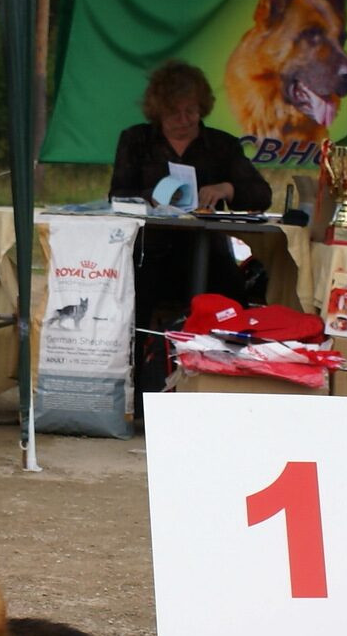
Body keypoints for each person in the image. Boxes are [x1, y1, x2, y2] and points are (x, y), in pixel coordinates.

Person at [108, 59, 273, 406]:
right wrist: (148, 201)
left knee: (234, 306)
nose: (184, 121)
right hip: (148, 253)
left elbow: (261, 195)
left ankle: (230, 390)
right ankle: (134, 396)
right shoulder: (136, 140)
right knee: (129, 306)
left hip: (208, 253)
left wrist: (227, 188)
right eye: (174, 114)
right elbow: (118, 195)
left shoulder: (221, 145)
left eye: (191, 112)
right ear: (158, 112)